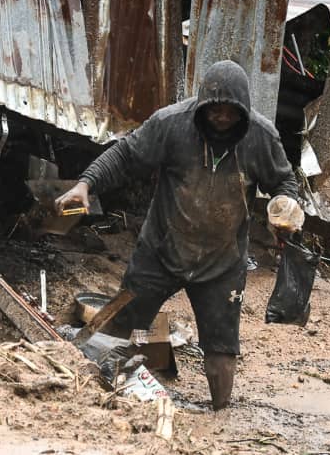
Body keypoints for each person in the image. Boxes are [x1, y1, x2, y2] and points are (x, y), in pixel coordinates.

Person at [56, 60, 303, 410]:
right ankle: (97, 391)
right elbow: (125, 156)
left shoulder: (261, 138)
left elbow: (284, 181)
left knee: (221, 347)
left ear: (244, 112)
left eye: (230, 113)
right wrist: (86, 183)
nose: (221, 118)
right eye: (213, 110)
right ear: (200, 106)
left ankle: (219, 417)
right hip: (161, 250)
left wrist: (286, 206)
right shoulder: (170, 124)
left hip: (223, 261)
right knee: (122, 325)